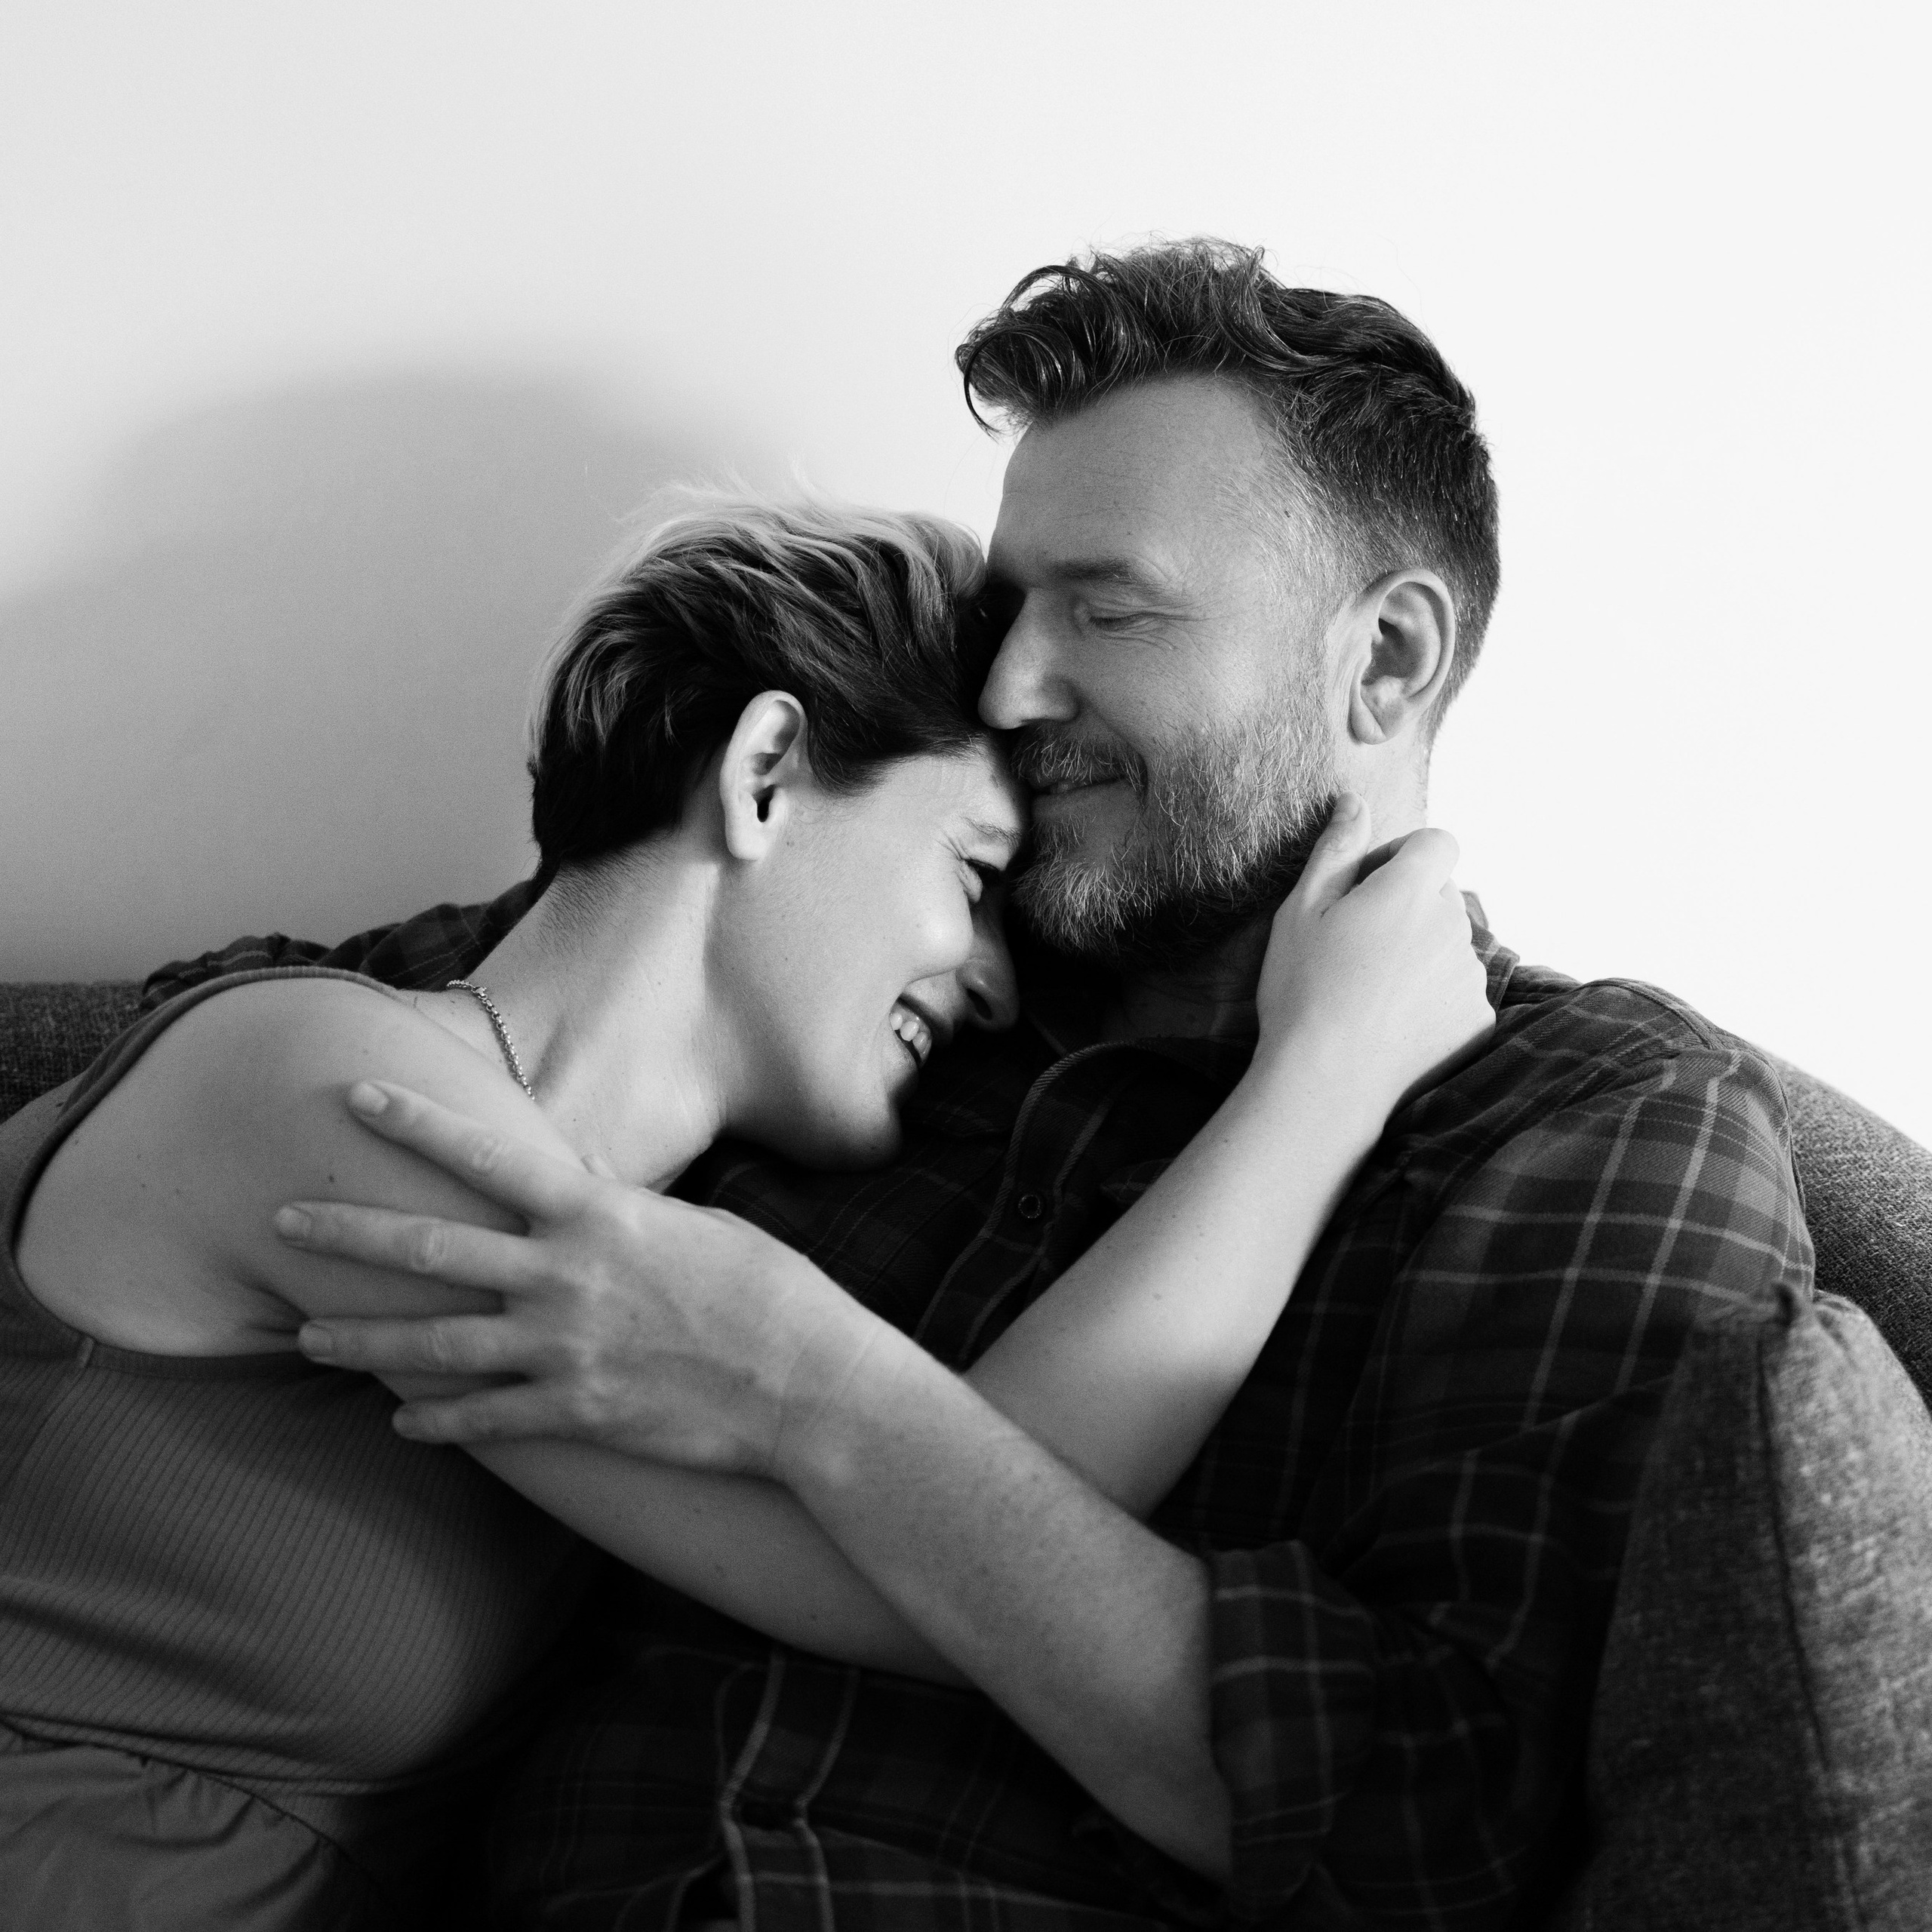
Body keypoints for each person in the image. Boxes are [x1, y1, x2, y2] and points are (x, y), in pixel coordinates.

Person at [255, 241, 1814, 1930]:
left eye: (1107, 607)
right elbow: (336, 1020)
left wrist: (799, 1373)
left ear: (1384, 661)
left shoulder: (1585, 1114)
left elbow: (1423, 1827)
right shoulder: (882, 966)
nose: (1004, 688)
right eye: (1013, 610)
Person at [0, 490, 1490, 1930]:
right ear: (765, 769)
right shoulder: (322, 1081)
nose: (990, 983)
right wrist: (1320, 1081)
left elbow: (949, 1523)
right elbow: (935, 1557)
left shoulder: (630, 1291)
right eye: (974, 872)